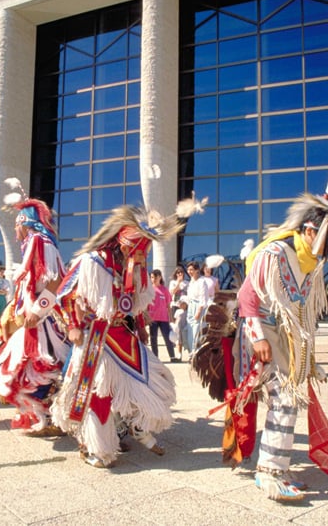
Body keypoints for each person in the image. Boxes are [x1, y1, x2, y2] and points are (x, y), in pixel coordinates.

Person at [52, 197, 203, 468]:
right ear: (122, 242)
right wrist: (72, 325)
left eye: (143, 253)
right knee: (99, 391)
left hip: (124, 335)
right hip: (95, 337)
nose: (140, 257)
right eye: (137, 251)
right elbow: (63, 294)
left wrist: (141, 326)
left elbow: (134, 304)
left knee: (150, 381)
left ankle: (133, 426)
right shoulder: (92, 262)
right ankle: (97, 447)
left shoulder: (136, 269)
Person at [233, 194, 328, 502]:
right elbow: (246, 298)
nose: (327, 248)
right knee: (285, 398)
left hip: (287, 336)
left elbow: (303, 311)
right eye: (324, 238)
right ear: (308, 231)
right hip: (261, 332)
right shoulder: (275, 253)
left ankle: (278, 469)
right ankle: (269, 472)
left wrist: (308, 357)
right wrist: (258, 338)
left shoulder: (310, 263)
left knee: (290, 400)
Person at [0, 194, 69, 435]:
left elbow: (55, 280)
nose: (15, 229)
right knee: (26, 369)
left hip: (43, 321)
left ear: (26, 222)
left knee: (38, 367)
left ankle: (53, 417)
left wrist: (37, 309)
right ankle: (46, 417)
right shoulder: (34, 243)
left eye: (17, 223)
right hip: (35, 320)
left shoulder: (39, 242)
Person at [148, 269, 177, 361]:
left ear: (160, 277)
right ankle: (155, 358)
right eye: (152, 277)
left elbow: (168, 305)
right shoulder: (149, 290)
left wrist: (171, 317)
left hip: (164, 318)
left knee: (168, 337)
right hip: (152, 318)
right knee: (153, 339)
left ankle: (172, 356)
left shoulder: (164, 290)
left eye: (155, 277)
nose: (154, 279)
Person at [185, 261, 211, 356]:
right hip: (190, 306)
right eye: (188, 269)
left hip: (198, 306)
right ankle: (191, 350)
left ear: (197, 270)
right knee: (189, 329)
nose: (189, 271)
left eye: (191, 269)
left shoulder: (202, 281)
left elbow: (203, 298)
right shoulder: (191, 282)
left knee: (196, 329)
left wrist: (199, 311)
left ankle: (195, 351)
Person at [168, 266, 188, 356]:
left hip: (184, 307)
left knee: (183, 328)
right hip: (175, 306)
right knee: (176, 328)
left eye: (181, 273)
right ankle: (177, 347)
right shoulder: (173, 282)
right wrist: (178, 283)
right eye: (178, 273)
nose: (180, 274)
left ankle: (184, 347)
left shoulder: (187, 283)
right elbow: (171, 292)